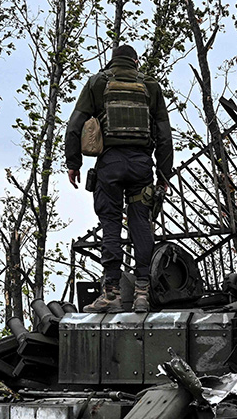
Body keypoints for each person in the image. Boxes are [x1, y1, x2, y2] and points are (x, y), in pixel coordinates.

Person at [64, 44, 174, 312]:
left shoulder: (98, 83)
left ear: (112, 62)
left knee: (110, 223)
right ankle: (142, 294)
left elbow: (74, 126)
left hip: (110, 165)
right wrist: (163, 174)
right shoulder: (150, 86)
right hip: (141, 166)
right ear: (136, 62)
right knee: (140, 224)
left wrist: (73, 163)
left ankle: (110, 294)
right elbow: (164, 135)